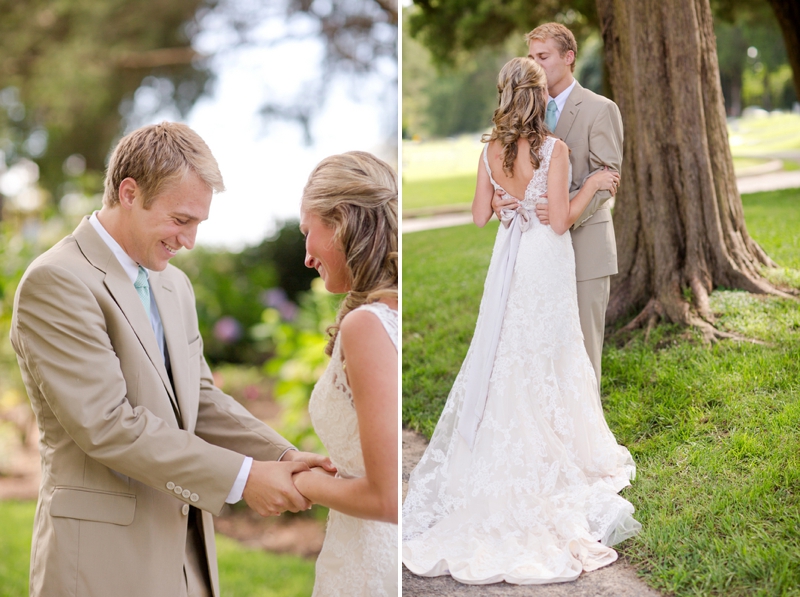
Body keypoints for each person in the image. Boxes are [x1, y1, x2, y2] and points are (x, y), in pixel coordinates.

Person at [9, 122, 333, 597]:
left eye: (198, 223)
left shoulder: (173, 284)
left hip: (186, 561)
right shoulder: (57, 282)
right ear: (129, 192)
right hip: (101, 562)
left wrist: (280, 455)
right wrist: (243, 479)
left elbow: (198, 401)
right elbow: (108, 425)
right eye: (181, 220)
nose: (190, 241)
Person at [402, 57, 640, 585]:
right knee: (553, 350)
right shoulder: (554, 149)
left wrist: (509, 200)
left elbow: (479, 215)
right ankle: (558, 448)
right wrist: (595, 182)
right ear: (538, 96)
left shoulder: (490, 150)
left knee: (512, 352)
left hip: (509, 263)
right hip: (545, 262)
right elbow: (560, 220)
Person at [493, 22, 623, 389]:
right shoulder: (523, 115)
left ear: (568, 58)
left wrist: (565, 211)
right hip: (537, 257)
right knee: (543, 348)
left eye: (543, 56)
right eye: (531, 57)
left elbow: (609, 178)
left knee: (582, 349)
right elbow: (506, 169)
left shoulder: (601, 109)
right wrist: (496, 197)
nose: (534, 64)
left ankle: (588, 439)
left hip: (586, 247)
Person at [292, 151, 399, 596]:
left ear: (340, 221)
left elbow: (386, 498)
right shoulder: (386, 311)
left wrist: (305, 483)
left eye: (307, 232)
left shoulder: (366, 325)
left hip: (369, 569)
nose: (306, 256)